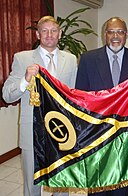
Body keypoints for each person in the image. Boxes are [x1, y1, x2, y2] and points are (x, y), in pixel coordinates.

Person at [2, 16, 78, 196]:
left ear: (60, 34)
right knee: (32, 184)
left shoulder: (71, 59)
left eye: (53, 30)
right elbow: (7, 94)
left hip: (61, 131)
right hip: (32, 131)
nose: (49, 35)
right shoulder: (23, 58)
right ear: (38, 34)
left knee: (62, 182)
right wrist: (25, 79)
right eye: (44, 30)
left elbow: (73, 94)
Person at [75, 17, 128, 195]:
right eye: (111, 32)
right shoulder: (88, 59)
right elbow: (81, 97)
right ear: (104, 34)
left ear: (126, 35)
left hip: (126, 135)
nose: (115, 36)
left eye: (120, 32)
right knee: (98, 184)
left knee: (123, 186)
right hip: (97, 135)